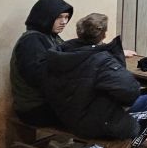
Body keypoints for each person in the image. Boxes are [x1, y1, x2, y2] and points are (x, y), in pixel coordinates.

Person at [42, 13, 141, 141]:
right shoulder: (102, 61)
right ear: (103, 35)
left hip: (65, 115)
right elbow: (131, 91)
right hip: (90, 123)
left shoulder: (61, 51)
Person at [9, 0, 73, 127]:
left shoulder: (51, 37)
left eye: (66, 17)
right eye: (59, 17)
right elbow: (38, 78)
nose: (64, 22)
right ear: (45, 16)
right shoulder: (31, 41)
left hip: (47, 103)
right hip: (34, 109)